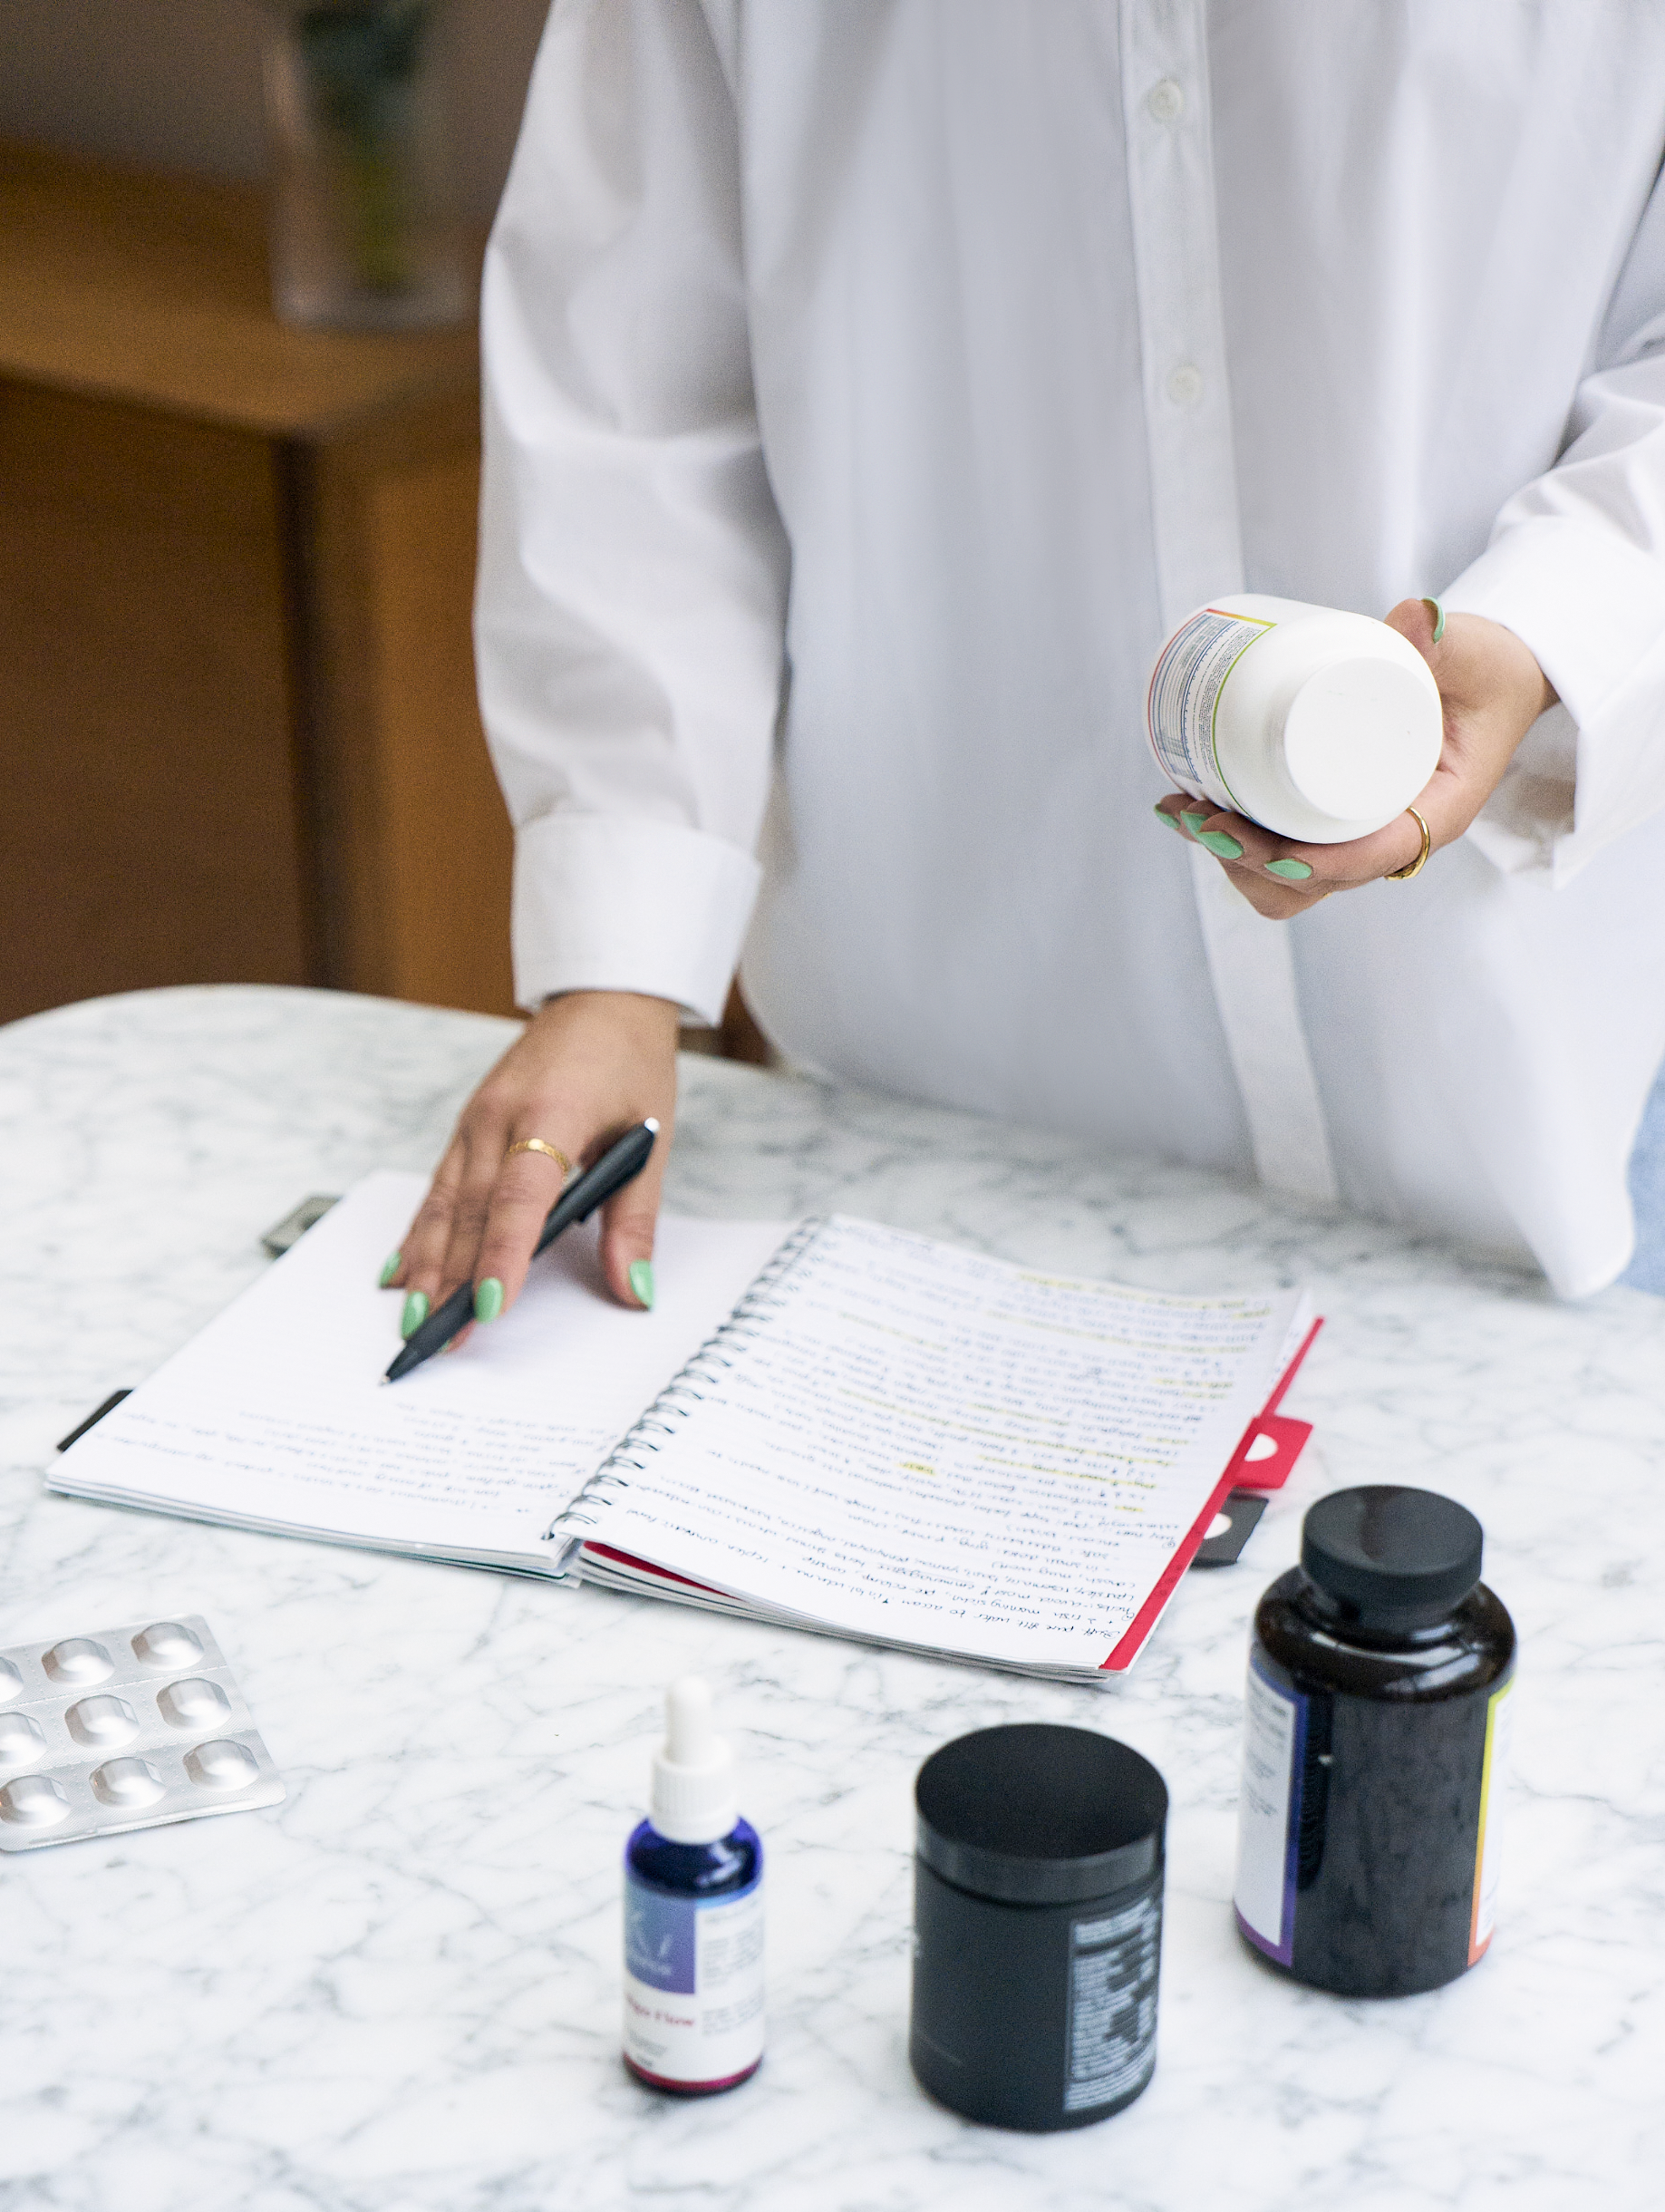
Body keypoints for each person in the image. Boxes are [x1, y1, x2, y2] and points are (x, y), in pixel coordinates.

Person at [385, 1, 1665, 1342]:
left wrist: (1554, 631)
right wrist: (619, 966)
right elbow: (632, 393)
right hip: (938, 1114)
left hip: (1560, 1076)